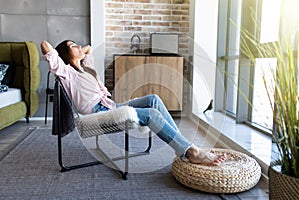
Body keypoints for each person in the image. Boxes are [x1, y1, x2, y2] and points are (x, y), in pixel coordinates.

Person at [41, 40, 227, 165]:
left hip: (110, 106)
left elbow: (88, 49)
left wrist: (79, 50)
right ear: (64, 54)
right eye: (73, 46)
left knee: (153, 99)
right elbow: (45, 45)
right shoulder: (67, 73)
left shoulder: (84, 68)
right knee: (151, 115)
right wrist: (61, 53)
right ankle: (191, 152)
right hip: (97, 114)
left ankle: (183, 147)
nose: (80, 47)